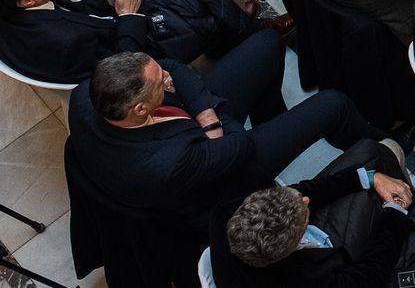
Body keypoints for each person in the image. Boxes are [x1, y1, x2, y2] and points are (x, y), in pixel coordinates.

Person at [67, 47, 387, 226]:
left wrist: (208, 117)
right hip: (228, 176)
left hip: (206, 128)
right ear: (139, 109)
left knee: (267, 47)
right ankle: (380, 145)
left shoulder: (88, 93)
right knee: (333, 103)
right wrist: (217, 128)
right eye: (159, 84)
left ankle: (273, 120)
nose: (165, 77)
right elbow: (239, 146)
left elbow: (171, 64)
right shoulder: (167, 162)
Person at [211, 138, 415, 288]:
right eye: (303, 213)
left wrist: (370, 177)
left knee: (386, 149)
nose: (306, 199)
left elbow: (304, 191)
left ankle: (410, 202)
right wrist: (395, 212)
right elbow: (369, 275)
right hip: (349, 268)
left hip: (323, 247)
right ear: (291, 248)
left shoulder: (229, 212)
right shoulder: (304, 281)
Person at [0, 0, 291, 83]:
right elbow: (124, 70)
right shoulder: (59, 42)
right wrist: (127, 16)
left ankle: (224, 32)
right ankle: (252, 30)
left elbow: (79, 16)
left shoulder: (17, 6)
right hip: (133, 46)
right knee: (196, 3)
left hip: (100, 20)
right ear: (26, 0)